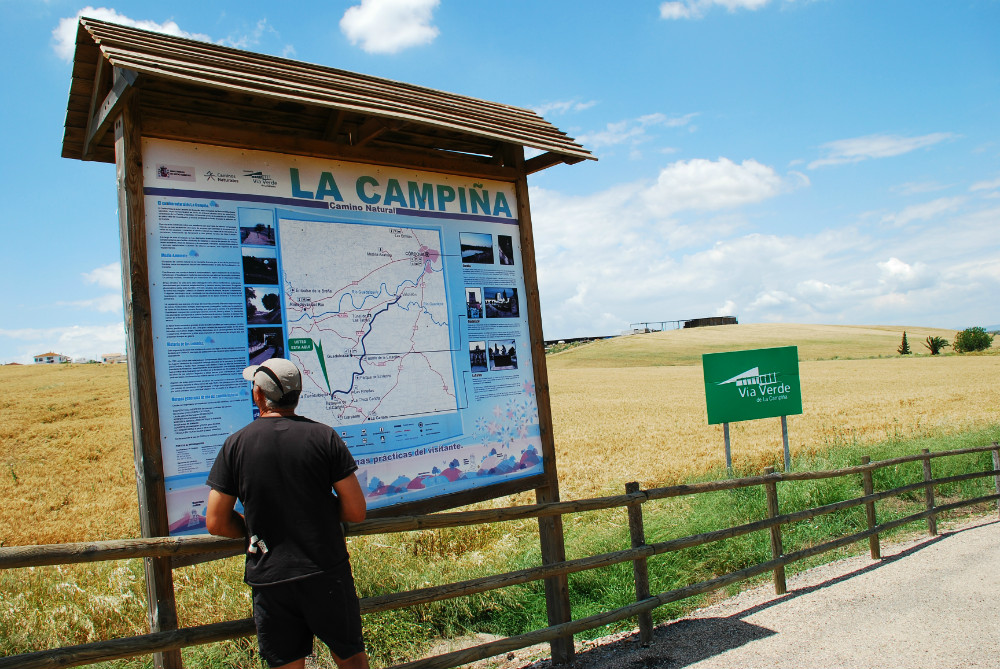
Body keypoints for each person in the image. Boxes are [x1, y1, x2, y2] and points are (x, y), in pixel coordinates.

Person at [206, 357, 370, 669]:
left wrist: (252, 528)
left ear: (258, 395)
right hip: (326, 571)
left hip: (271, 577)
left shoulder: (235, 445)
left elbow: (215, 521)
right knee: (352, 661)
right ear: (297, 395)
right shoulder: (324, 437)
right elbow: (355, 510)